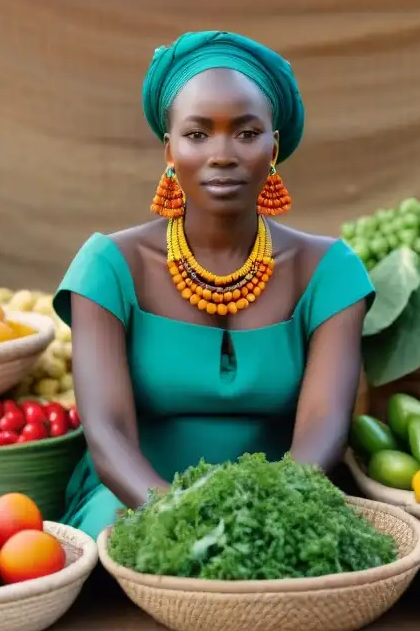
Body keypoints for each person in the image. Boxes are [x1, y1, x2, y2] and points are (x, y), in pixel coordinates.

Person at [53, 30, 374, 539]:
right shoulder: (111, 267)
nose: (222, 154)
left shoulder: (327, 271)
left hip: (283, 505)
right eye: (198, 134)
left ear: (274, 146)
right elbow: (108, 435)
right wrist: (176, 518)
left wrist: (265, 519)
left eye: (246, 133)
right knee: (117, 546)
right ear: (169, 149)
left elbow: (324, 427)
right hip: (135, 500)